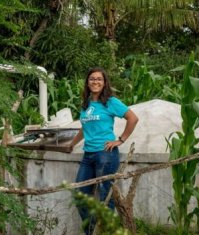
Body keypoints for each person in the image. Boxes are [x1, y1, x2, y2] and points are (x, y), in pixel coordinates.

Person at [70, 67, 138, 235]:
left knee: (106, 198)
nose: (95, 81)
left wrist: (120, 140)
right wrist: (71, 144)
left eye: (99, 79)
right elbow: (84, 127)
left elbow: (133, 118)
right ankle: (91, 231)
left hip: (105, 154)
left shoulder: (110, 101)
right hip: (88, 155)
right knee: (80, 195)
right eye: (92, 79)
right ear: (87, 82)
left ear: (104, 82)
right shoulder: (86, 104)